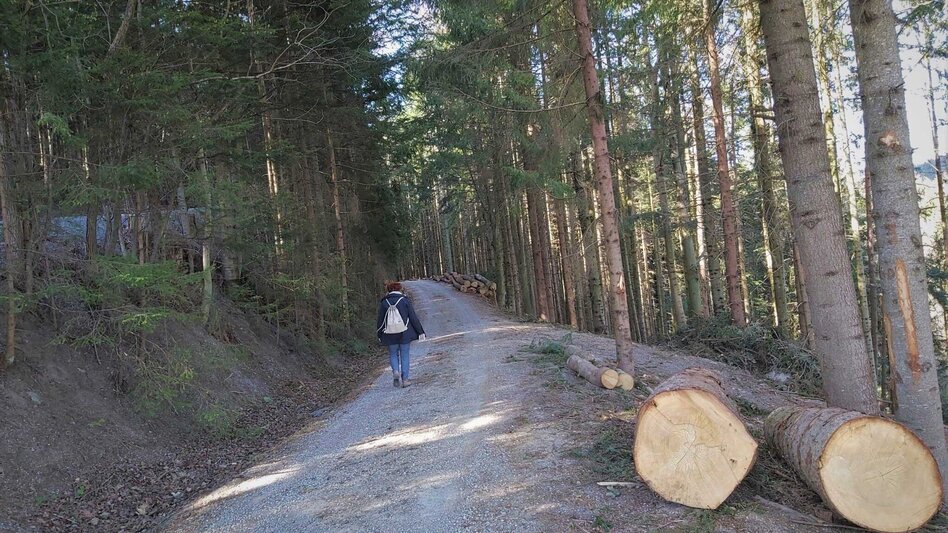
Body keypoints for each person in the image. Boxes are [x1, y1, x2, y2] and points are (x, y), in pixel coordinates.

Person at [376, 281, 425, 388]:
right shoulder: (404, 300)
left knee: (393, 354)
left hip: (389, 333)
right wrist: (420, 331)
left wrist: (379, 334)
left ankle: (395, 371)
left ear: (388, 290)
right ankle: (405, 379)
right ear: (399, 289)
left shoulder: (384, 303)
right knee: (405, 355)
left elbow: (380, 321)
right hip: (405, 333)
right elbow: (413, 317)